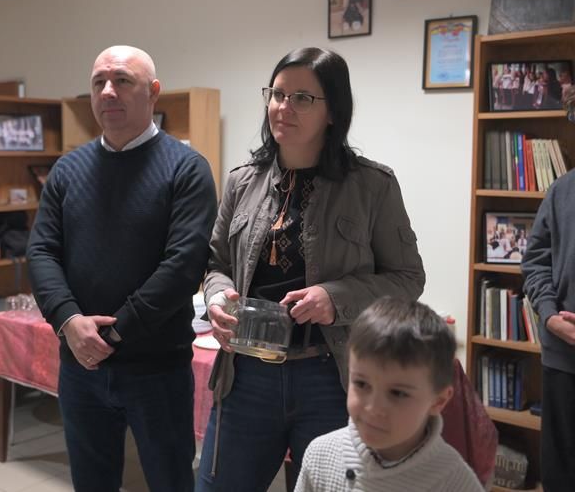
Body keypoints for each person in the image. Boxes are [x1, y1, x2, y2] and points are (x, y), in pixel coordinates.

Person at [195, 47, 425, 491]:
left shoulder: (372, 186)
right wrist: (218, 296)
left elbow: (408, 278)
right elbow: (216, 263)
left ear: (333, 111)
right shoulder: (242, 181)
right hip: (245, 375)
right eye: (277, 94)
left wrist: (335, 298)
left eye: (302, 98)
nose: (284, 107)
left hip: (331, 376)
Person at [27, 45, 217, 492]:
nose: (108, 92)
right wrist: (69, 321)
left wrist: (111, 336)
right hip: (81, 368)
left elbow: (183, 267)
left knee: (170, 481)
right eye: (99, 83)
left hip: (157, 370)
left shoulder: (186, 169)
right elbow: (41, 252)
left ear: (153, 92)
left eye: (122, 80)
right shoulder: (67, 170)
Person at [294, 297, 483, 492]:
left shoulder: (456, 482)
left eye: (398, 393)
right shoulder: (320, 456)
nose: (373, 408)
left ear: (438, 401)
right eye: (361, 384)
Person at [522, 98, 575, 491]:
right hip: (564, 358)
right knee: (561, 473)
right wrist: (549, 314)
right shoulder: (561, 190)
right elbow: (536, 261)